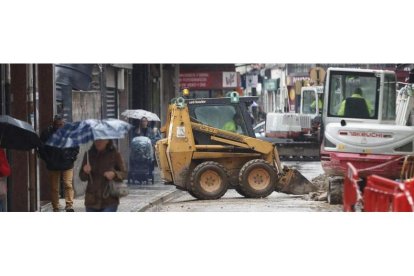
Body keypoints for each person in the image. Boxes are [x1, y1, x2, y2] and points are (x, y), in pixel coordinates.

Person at [39, 115, 79, 212]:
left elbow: (76, 146)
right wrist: (48, 159)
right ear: (54, 124)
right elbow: (41, 148)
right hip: (53, 163)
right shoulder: (47, 133)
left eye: (61, 124)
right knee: (54, 187)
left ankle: (69, 205)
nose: (60, 126)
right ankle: (55, 206)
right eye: (57, 124)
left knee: (67, 184)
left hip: (67, 162)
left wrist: (71, 157)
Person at [79, 139, 126, 212]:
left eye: (101, 140)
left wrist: (114, 174)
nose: (98, 142)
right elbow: (82, 177)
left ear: (107, 141)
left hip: (109, 199)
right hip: (92, 200)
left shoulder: (115, 154)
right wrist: (85, 172)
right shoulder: (88, 155)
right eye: (96, 140)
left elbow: (124, 173)